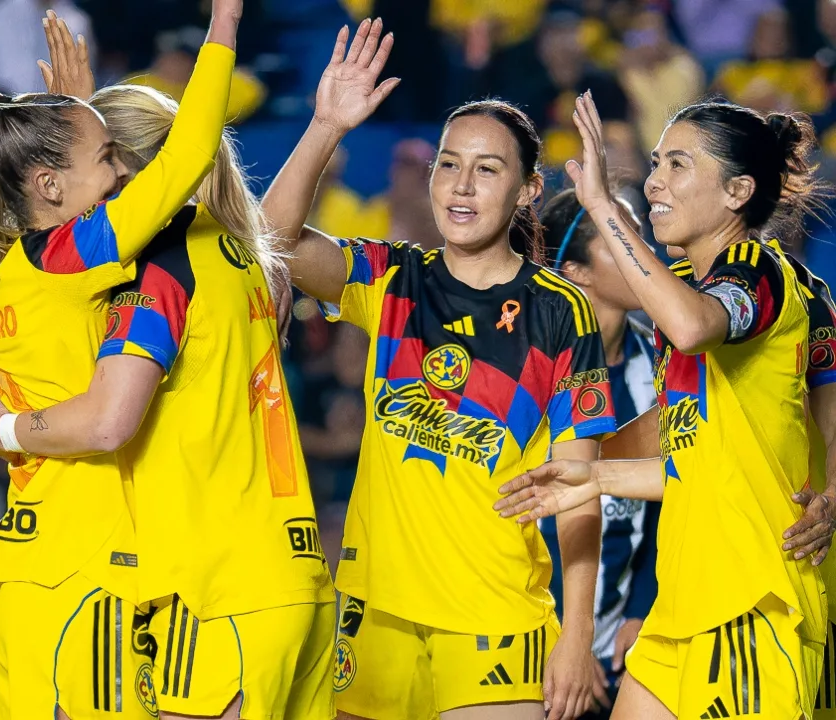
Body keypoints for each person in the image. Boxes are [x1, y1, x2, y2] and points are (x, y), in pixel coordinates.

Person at [0, 16, 389, 720]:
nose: (106, 184)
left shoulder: (159, 275)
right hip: (287, 574)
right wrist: (322, 129)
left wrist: (9, 429)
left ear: (141, 182)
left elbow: (109, 421)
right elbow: (273, 237)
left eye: (112, 162)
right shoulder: (232, 256)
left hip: (213, 591)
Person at [262, 47, 616, 720]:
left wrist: (576, 637)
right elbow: (271, 241)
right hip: (376, 610)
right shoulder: (393, 277)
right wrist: (326, 126)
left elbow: (578, 491)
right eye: (449, 165)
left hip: (493, 616)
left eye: (488, 170)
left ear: (527, 189)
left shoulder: (557, 311)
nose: (461, 185)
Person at [0, 3, 238, 718]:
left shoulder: (2, 272)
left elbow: (67, 175)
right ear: (47, 185)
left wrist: (76, 114)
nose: (121, 176)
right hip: (88, 565)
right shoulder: (77, 258)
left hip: (20, 571)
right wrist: (224, 21)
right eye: (110, 160)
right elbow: (187, 154)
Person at [495, 94, 825, 719]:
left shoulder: (757, 272)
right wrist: (588, 477)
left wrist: (597, 204)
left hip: (746, 606)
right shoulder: (697, 295)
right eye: (654, 163)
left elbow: (694, 325)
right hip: (681, 610)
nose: (653, 183)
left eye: (678, 165)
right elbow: (691, 466)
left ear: (737, 192)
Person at [540, 190, 661, 717]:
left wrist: (642, 611)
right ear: (576, 271)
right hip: (532, 634)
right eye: (618, 238)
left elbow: (671, 497)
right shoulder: (531, 364)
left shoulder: (661, 363)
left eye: (636, 232)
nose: (642, 250)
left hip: (626, 645)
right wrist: (567, 640)